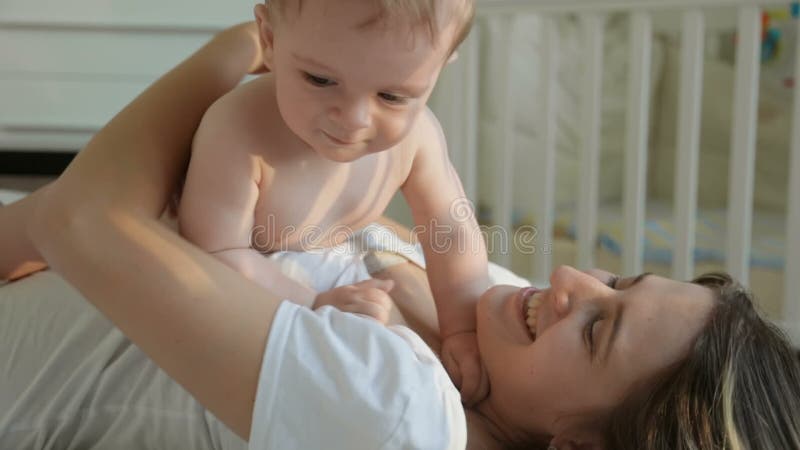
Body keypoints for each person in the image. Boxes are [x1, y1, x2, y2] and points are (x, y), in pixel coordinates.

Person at [2, 22, 799, 450]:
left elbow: (78, 222)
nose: (569, 280)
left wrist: (247, 50)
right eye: (618, 281)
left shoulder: (401, 422)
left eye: (597, 329)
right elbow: (334, 227)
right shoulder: (473, 337)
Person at [176, 0, 490, 405]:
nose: (355, 118)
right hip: (247, 278)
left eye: (393, 96)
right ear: (269, 39)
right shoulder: (238, 130)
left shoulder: (420, 138)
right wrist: (310, 301)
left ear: (440, 68)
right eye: (320, 80)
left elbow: (450, 231)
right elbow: (213, 250)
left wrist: (463, 328)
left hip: (329, 252)